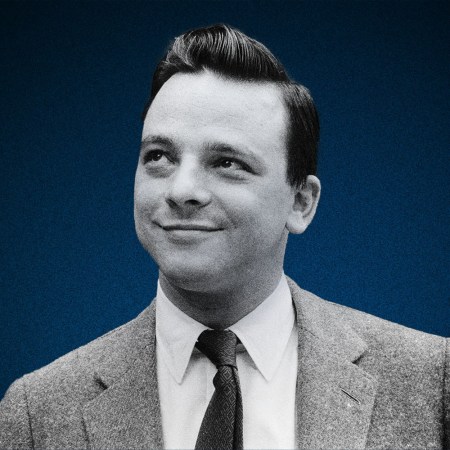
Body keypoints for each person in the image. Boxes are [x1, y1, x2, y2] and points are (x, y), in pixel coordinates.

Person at [0, 24, 448, 450]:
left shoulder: (431, 383)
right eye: (159, 156)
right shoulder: (35, 414)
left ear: (301, 203)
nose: (182, 190)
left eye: (227, 162)